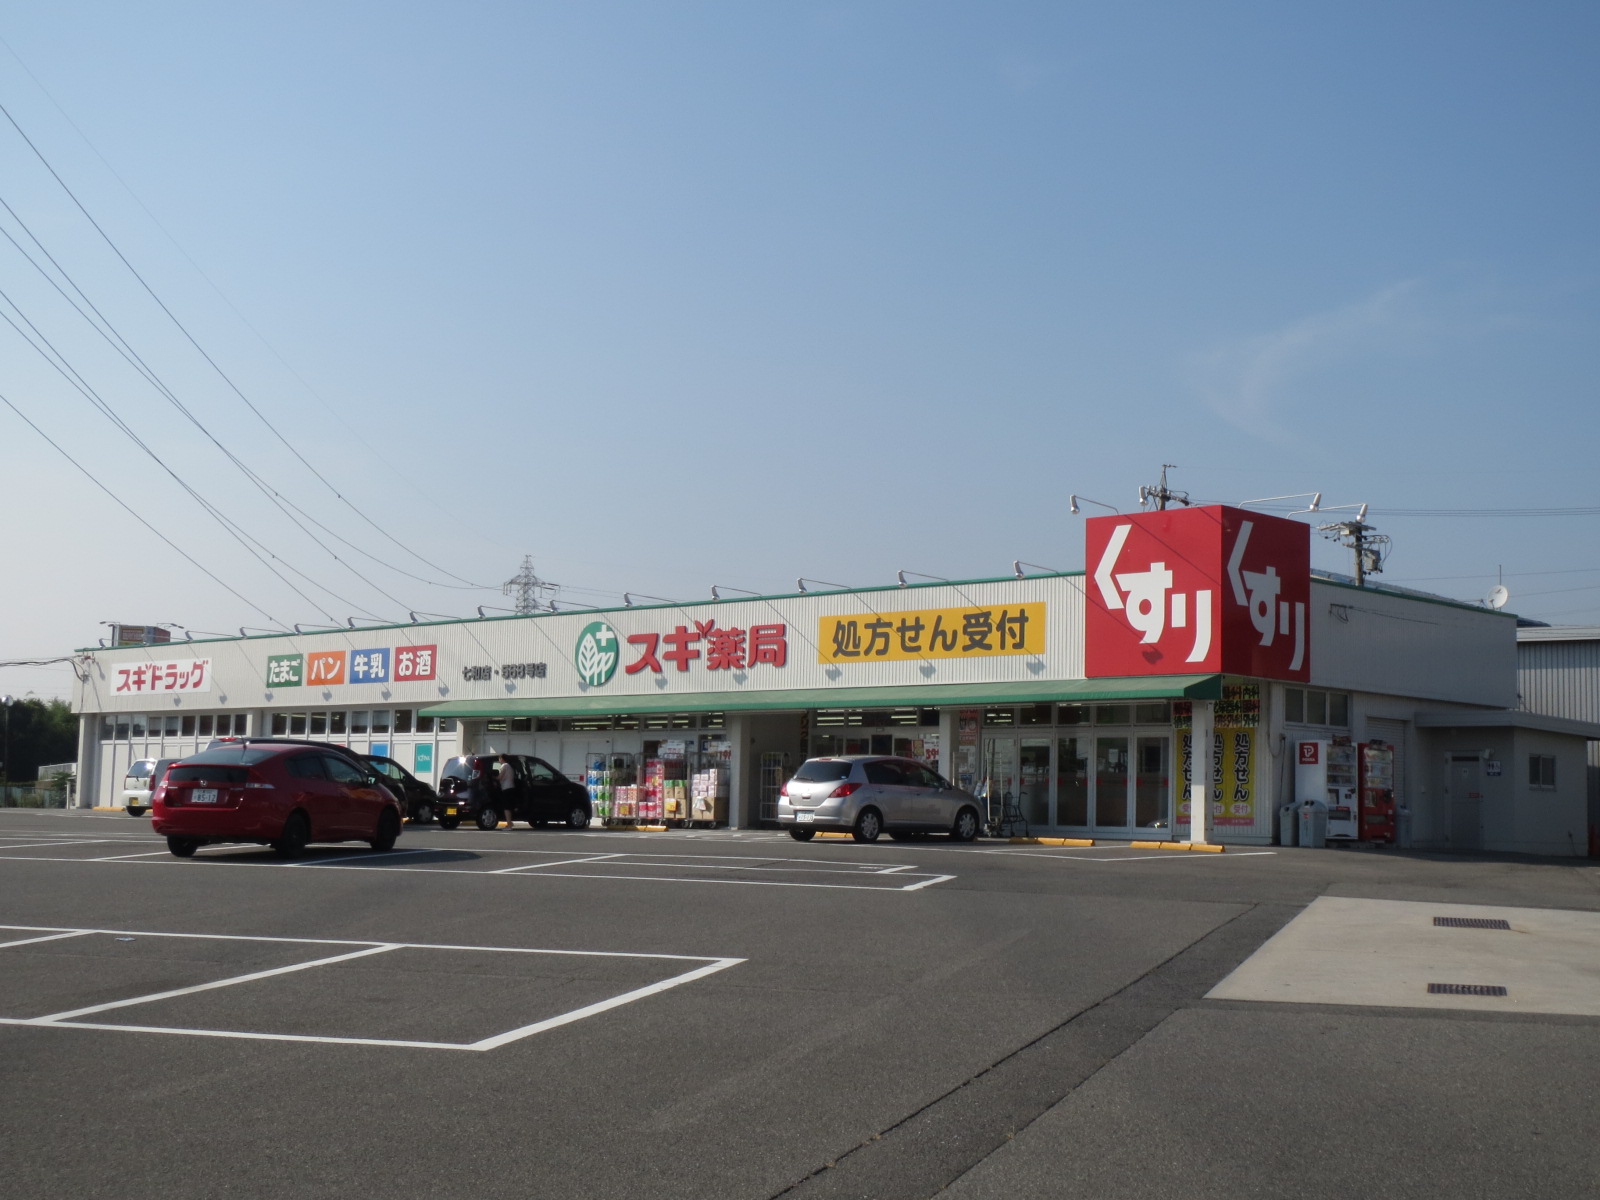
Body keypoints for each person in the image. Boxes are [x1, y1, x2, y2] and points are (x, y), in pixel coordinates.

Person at [496, 755, 517, 829]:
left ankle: (509, 824)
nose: (499, 760)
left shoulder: (504, 766)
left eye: (499, 758)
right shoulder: (510, 767)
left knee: (506, 807)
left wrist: (494, 778)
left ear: (502, 758)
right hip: (511, 787)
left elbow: (500, 777)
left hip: (506, 788)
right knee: (509, 806)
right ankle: (510, 822)